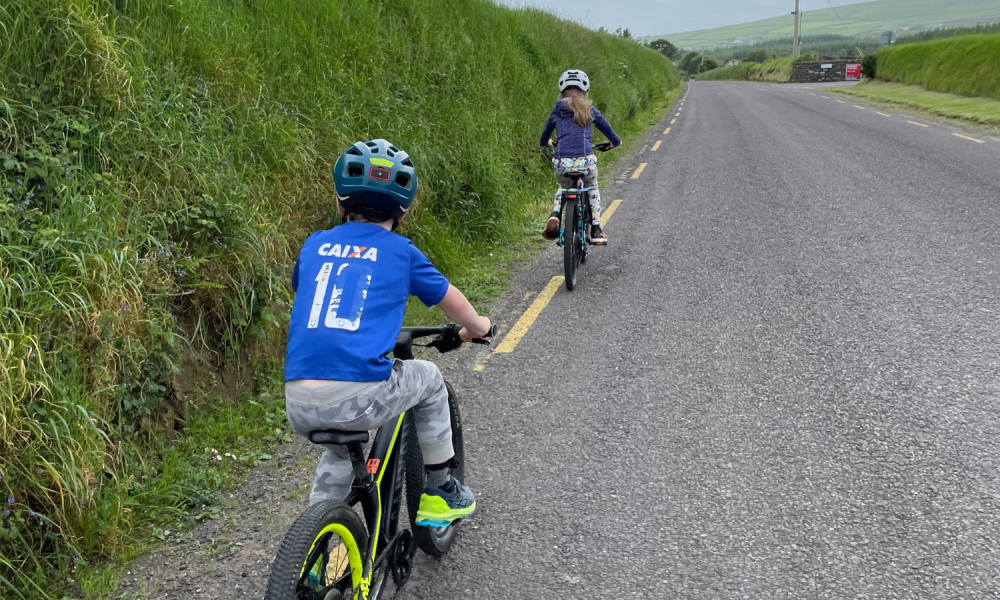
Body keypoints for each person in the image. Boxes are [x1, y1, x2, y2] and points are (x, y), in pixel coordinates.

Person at [283, 139, 491, 528]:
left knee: (341, 452)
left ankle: (317, 542)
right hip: (354, 394)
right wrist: (477, 328)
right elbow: (454, 303)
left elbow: (314, 294)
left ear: (341, 204)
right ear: (404, 211)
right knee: (428, 378)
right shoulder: (401, 251)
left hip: (297, 397)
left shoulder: (314, 244)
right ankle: (439, 492)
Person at [539, 69, 622, 243]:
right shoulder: (589, 109)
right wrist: (615, 143)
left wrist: (547, 142)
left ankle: (555, 215)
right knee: (592, 188)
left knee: (564, 188)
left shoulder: (557, 109)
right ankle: (597, 229)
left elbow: (545, 135)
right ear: (585, 90)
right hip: (585, 162)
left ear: (562, 91)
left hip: (562, 163)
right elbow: (608, 130)